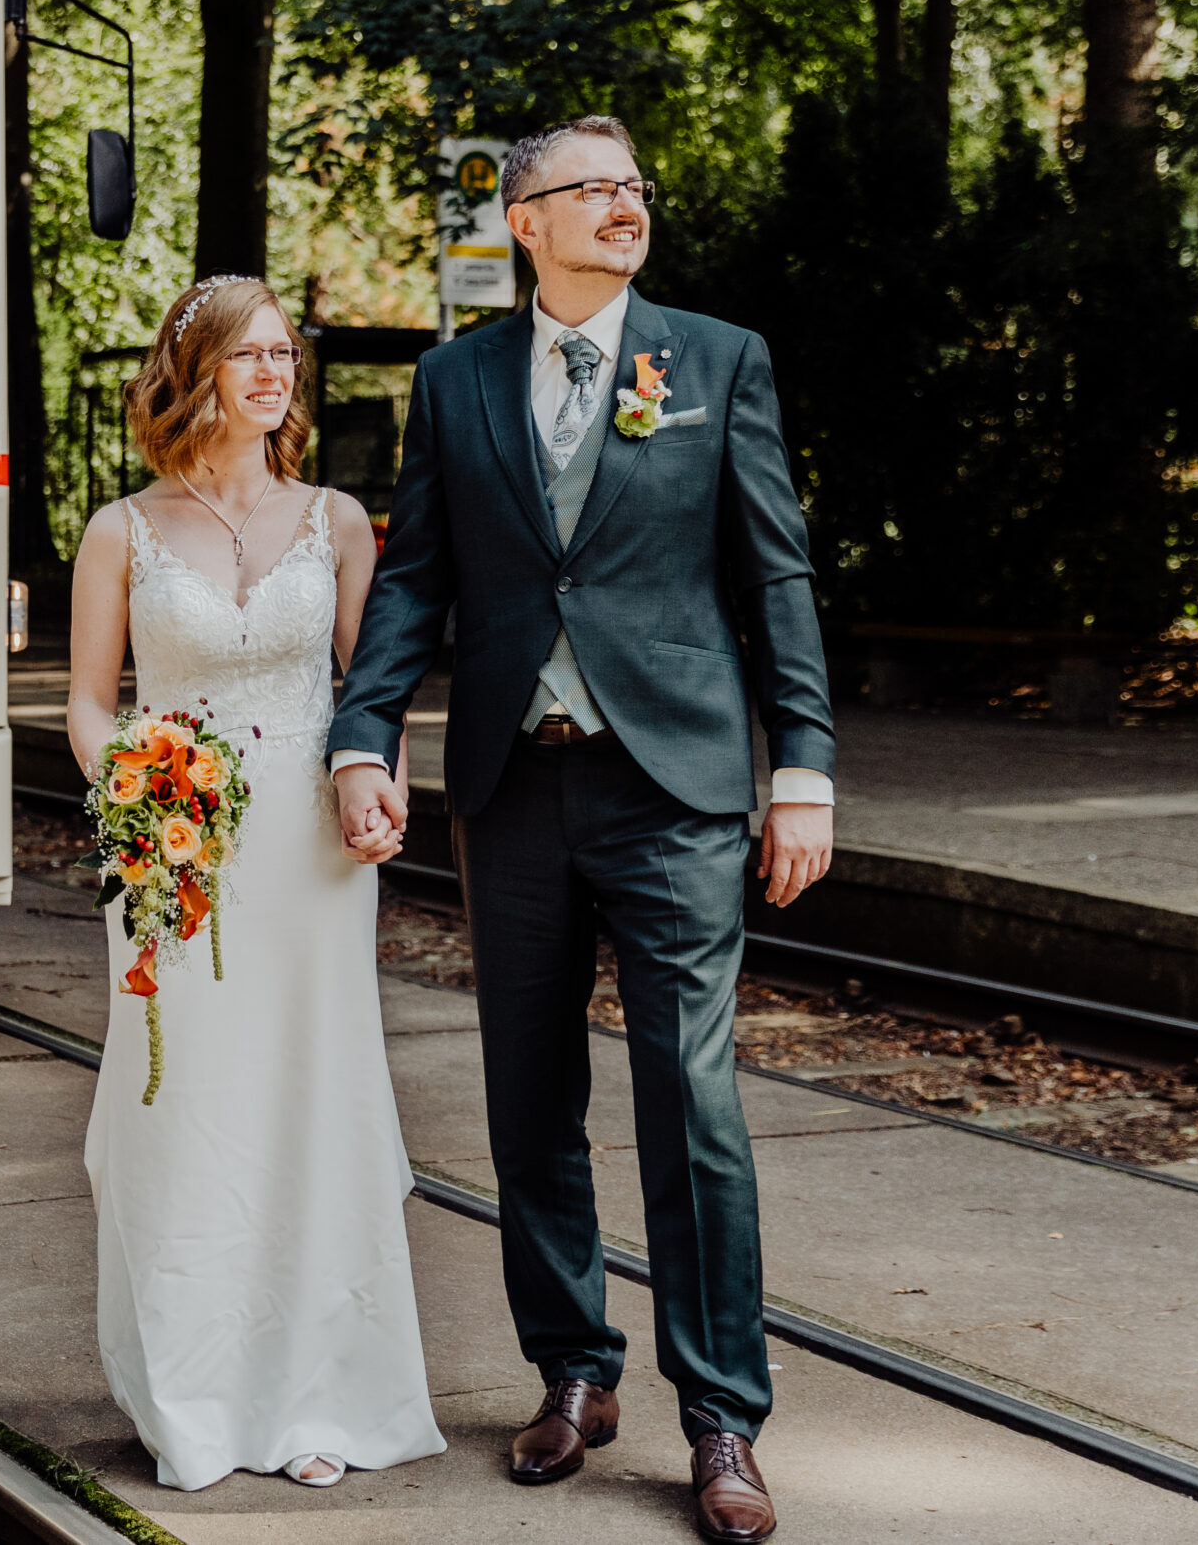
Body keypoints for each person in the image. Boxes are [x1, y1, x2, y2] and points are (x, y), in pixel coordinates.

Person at [326, 116, 836, 1545]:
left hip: (674, 785)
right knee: (526, 1094)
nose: (625, 207)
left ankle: (723, 1411)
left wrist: (806, 765)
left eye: (634, 188)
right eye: (592, 190)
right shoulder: (455, 378)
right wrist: (363, 729)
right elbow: (419, 573)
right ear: (524, 219)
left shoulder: (716, 358)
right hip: (515, 784)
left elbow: (775, 572)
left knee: (694, 1099)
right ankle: (571, 1369)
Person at [65, 275, 447, 1493]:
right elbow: (88, 700)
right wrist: (133, 786)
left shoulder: (336, 519)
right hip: (175, 852)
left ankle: (319, 1387)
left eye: (287, 354)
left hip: (310, 855)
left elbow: (370, 688)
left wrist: (383, 784)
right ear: (197, 373)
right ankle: (194, 1389)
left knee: (309, 1098)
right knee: (188, 1104)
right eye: (250, 356)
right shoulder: (121, 530)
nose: (276, 374)